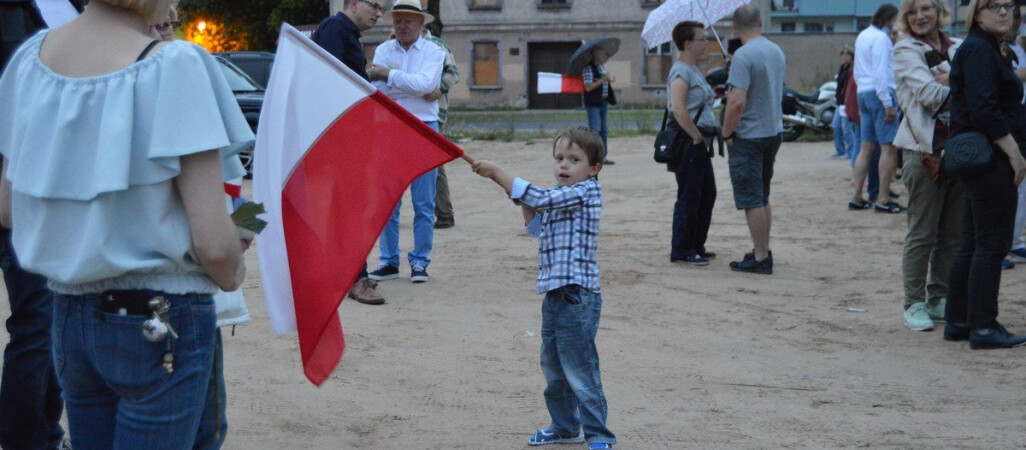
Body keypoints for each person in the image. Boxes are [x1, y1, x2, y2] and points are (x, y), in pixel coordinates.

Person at [0, 0, 252, 446]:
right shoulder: (176, 64)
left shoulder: (28, 61)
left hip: (69, 312)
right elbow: (215, 246)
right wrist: (233, 269)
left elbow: (8, 210)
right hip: (161, 316)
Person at [470, 127, 615, 450]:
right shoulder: (558, 196)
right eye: (559, 158)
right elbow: (535, 226)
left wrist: (497, 173)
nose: (564, 165)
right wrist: (519, 195)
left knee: (580, 369)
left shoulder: (587, 191)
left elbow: (541, 199)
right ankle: (565, 428)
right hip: (554, 296)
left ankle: (598, 435)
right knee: (553, 367)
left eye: (574, 160)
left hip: (577, 296)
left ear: (594, 169)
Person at [0, 1, 80, 449]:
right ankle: (29, 438)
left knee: (41, 319)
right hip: (19, 184)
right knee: (38, 320)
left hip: (32, 183)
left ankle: (34, 433)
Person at [945, 0, 1026, 349]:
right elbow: (984, 108)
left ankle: (960, 321)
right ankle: (983, 326)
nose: (1005, 12)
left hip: (984, 158)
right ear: (977, 13)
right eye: (995, 6)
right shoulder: (978, 49)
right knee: (992, 244)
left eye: (1010, 5)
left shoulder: (989, 47)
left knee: (974, 242)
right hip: (991, 159)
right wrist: (1014, 153)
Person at [892, 0, 963, 332]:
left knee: (952, 232)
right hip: (923, 152)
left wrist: (954, 80)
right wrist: (963, 83)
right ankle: (914, 303)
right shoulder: (906, 50)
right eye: (913, 11)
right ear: (905, 18)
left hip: (961, 150)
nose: (920, 16)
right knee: (922, 231)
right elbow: (929, 94)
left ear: (940, 13)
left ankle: (939, 298)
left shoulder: (958, 46)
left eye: (927, 9)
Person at [311, 0, 387, 304]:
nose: (380, 15)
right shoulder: (335, 28)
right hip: (341, 139)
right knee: (350, 209)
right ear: (353, 3)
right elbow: (328, 80)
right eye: (376, 6)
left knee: (348, 209)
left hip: (349, 137)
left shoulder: (347, 32)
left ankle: (346, 274)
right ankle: (354, 280)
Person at [366, 0, 444, 283]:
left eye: (408, 21)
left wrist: (388, 74)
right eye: (398, 21)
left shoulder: (434, 51)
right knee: (388, 199)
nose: (402, 26)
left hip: (424, 128)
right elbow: (380, 92)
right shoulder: (384, 49)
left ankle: (420, 261)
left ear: (421, 23)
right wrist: (415, 86)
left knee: (424, 201)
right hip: (390, 127)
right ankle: (389, 261)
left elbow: (422, 84)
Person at [720, 4, 785, 275]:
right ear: (760, 21)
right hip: (773, 130)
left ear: (734, 26)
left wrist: (726, 132)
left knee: (751, 199)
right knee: (762, 194)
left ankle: (760, 257)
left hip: (749, 134)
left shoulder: (743, 56)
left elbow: (736, 103)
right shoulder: (776, 50)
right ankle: (764, 248)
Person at [666, 21, 718, 266]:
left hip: (699, 142)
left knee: (706, 193)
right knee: (690, 195)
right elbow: (678, 108)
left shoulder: (694, 69)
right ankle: (682, 250)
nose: (706, 42)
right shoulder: (681, 71)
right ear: (687, 43)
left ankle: (696, 244)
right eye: (701, 38)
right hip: (689, 142)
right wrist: (696, 137)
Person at [851, 4, 906, 213]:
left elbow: (858, 69)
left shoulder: (863, 35)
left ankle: (856, 196)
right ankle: (883, 198)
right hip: (880, 92)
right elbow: (882, 70)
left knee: (866, 147)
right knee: (888, 148)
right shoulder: (882, 39)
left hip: (863, 91)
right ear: (890, 20)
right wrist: (887, 103)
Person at [421, 25, 460, 230]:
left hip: (435, 113)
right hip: (411, 113)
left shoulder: (436, 45)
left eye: (407, 21)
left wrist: (437, 90)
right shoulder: (398, 45)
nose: (401, 27)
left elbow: (453, 73)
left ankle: (445, 214)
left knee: (434, 161)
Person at [582, 46, 615, 165]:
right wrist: (603, 80)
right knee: (595, 130)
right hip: (593, 103)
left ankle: (603, 156)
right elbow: (588, 87)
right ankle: (594, 157)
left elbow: (602, 82)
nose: (605, 57)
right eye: (603, 54)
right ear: (596, 55)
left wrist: (608, 80)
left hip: (603, 102)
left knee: (604, 130)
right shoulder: (588, 68)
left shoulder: (601, 67)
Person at [832, 45, 855, 159]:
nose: (844, 56)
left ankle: (850, 152)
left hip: (847, 103)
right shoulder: (842, 68)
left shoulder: (852, 69)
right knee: (836, 126)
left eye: (847, 54)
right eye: (842, 54)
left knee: (847, 128)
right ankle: (840, 150)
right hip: (840, 102)